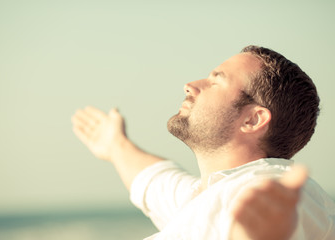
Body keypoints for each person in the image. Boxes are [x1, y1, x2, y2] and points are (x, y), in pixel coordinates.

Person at [71, 46, 335, 239]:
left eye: (215, 81)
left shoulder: (277, 195)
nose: (190, 85)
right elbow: (157, 182)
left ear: (253, 119)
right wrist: (116, 145)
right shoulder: (211, 196)